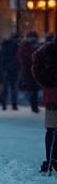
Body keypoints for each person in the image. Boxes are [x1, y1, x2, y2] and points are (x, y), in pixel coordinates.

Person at [32, 34, 57, 173]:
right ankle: (52, 160)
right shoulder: (47, 50)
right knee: (52, 128)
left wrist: (47, 81)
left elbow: (36, 65)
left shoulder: (47, 49)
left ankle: (50, 161)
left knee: (52, 128)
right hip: (53, 91)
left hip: (53, 92)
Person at [0, 33, 20, 111]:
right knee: (13, 87)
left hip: (7, 69)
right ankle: (14, 104)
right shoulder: (15, 47)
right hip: (13, 69)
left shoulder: (5, 47)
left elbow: (1, 58)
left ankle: (4, 104)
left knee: (6, 88)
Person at [19, 30, 42, 113]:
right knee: (34, 89)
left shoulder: (25, 46)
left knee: (32, 89)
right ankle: (34, 105)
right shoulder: (36, 46)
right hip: (34, 70)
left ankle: (34, 104)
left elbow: (21, 57)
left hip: (28, 71)